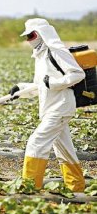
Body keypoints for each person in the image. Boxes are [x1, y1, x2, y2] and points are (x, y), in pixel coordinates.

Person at [9, 18, 86, 192]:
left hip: (60, 107)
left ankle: (30, 187)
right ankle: (76, 188)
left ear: (42, 34)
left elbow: (77, 74)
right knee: (64, 150)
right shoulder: (41, 56)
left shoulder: (56, 51)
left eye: (31, 35)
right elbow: (41, 86)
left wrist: (54, 83)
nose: (29, 39)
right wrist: (20, 89)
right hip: (51, 108)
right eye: (27, 36)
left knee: (36, 143)